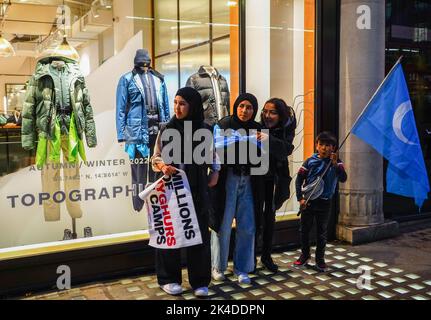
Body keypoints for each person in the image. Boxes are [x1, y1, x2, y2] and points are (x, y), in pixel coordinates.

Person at [150, 87, 219, 297]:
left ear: (193, 106)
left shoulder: (205, 130)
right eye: (175, 102)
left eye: (182, 104)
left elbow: (213, 157)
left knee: (198, 235)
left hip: (197, 189)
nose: (177, 108)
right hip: (171, 190)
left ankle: (200, 281)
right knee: (171, 233)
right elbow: (156, 157)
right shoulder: (167, 128)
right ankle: (168, 278)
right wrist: (163, 167)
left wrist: (214, 173)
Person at [210, 93, 264, 285]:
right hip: (228, 179)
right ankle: (218, 266)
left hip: (249, 180)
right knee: (222, 225)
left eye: (249, 107)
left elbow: (263, 155)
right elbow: (215, 149)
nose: (244, 111)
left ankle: (242, 268)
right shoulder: (224, 124)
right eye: (241, 106)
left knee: (247, 226)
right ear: (235, 107)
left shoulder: (258, 129)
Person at [293, 131, 347, 271]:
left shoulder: (337, 163)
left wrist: (335, 165)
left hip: (325, 203)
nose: (324, 148)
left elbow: (343, 178)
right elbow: (299, 179)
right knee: (304, 230)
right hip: (309, 201)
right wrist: (300, 198)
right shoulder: (310, 161)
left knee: (321, 232)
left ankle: (320, 259)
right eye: (321, 144)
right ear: (316, 146)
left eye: (328, 145)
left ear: (333, 148)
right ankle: (304, 255)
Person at [258, 98, 296, 272]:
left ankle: (266, 256)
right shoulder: (257, 127)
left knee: (269, 220)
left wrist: (268, 140)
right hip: (258, 179)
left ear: (280, 115)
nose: (267, 116)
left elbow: (286, 149)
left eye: (272, 112)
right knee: (256, 219)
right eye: (265, 111)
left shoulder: (286, 129)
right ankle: (250, 257)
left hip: (276, 179)